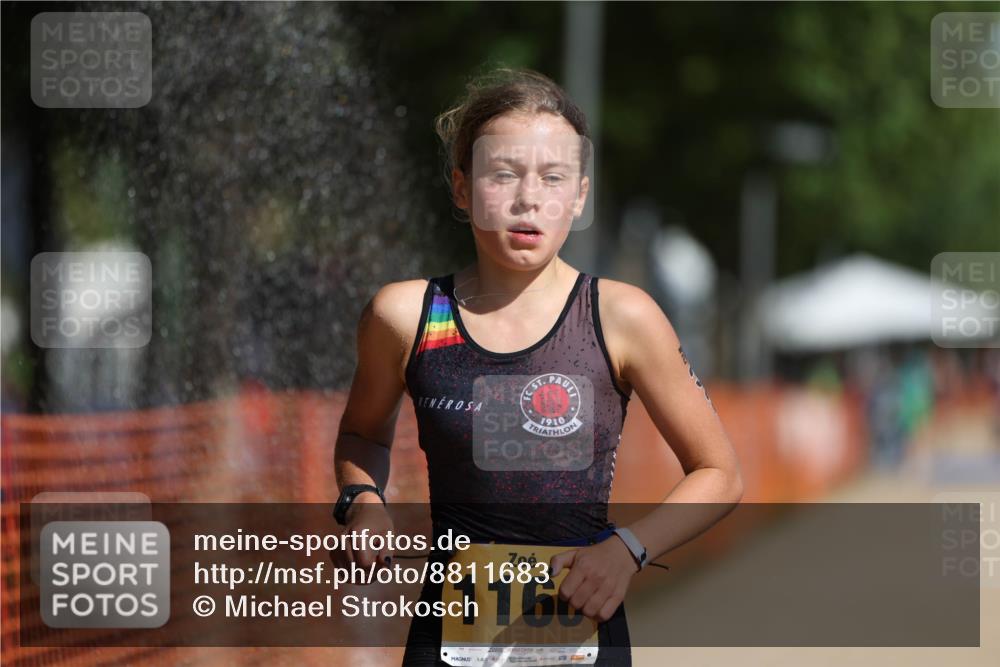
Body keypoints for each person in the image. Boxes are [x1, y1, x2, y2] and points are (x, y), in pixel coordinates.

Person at [333, 67, 743, 667]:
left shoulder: (621, 316)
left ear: (578, 196)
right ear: (461, 187)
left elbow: (720, 473)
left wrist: (626, 551)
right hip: (448, 641)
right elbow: (361, 434)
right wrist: (362, 499)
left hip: (582, 633)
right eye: (503, 175)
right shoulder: (406, 315)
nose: (528, 199)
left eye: (553, 178)